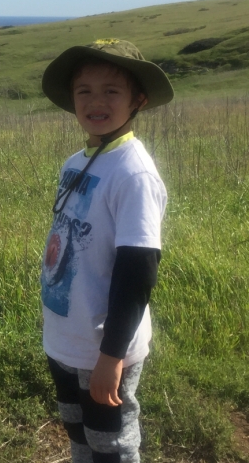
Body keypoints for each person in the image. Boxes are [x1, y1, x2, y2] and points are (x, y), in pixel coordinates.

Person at [39, 39, 174, 463]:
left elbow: (139, 270)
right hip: (66, 337)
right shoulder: (75, 162)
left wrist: (111, 357)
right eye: (85, 91)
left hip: (103, 347)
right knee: (78, 432)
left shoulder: (133, 173)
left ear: (138, 100)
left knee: (111, 444)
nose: (96, 102)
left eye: (111, 91)